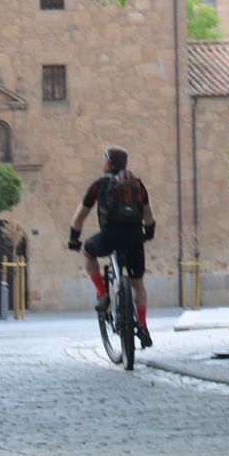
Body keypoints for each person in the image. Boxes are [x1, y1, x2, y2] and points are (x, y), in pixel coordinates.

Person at [68, 146, 156, 347]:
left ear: (108, 163)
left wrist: (74, 240)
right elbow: (149, 215)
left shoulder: (99, 185)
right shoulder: (137, 183)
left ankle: (103, 294)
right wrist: (147, 234)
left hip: (109, 237)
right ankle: (142, 326)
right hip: (134, 238)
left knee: (87, 253)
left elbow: (79, 217)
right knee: (137, 284)